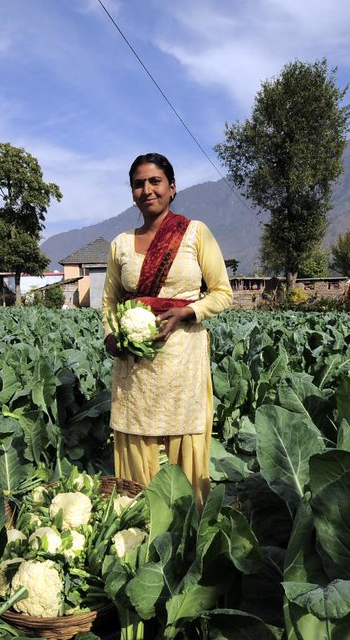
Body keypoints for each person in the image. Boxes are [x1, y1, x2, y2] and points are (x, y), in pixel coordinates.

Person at [102, 152, 233, 507]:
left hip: (182, 361)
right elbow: (109, 303)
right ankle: (137, 526)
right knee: (136, 438)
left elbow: (222, 294)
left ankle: (188, 528)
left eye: (155, 181)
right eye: (138, 183)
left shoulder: (194, 233)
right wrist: (112, 338)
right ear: (132, 192)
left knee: (183, 441)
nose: (147, 190)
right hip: (135, 369)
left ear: (172, 188)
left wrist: (185, 312)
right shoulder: (120, 244)